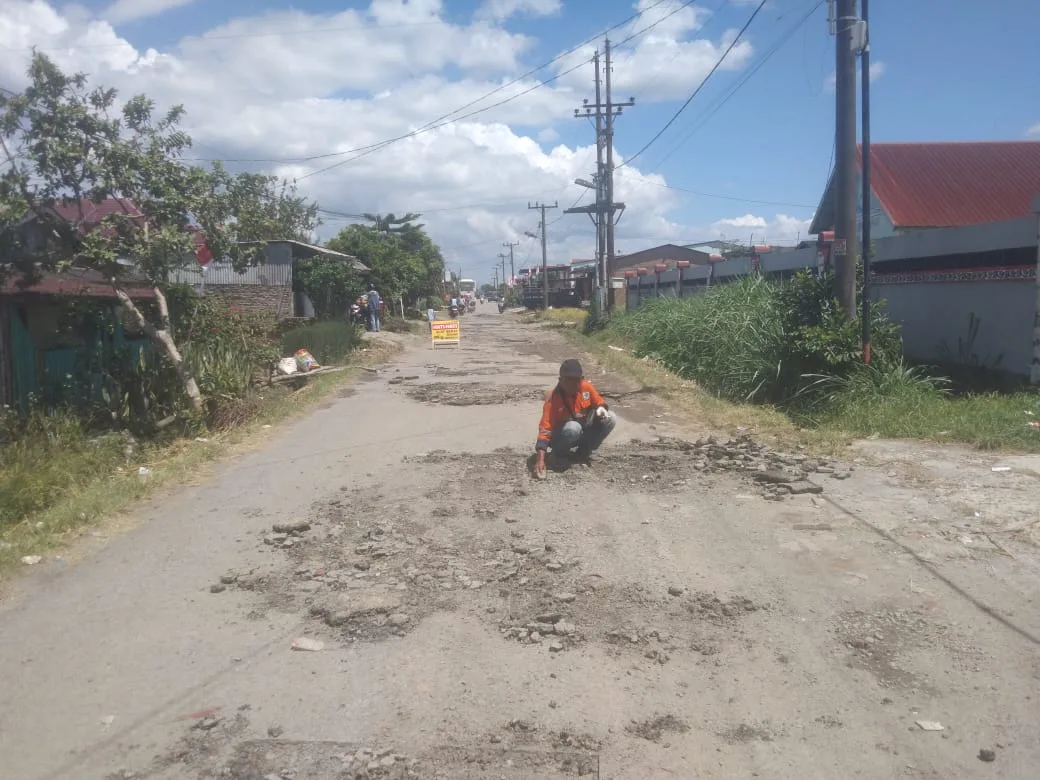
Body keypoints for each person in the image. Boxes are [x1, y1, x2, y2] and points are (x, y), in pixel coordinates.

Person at [534, 359, 616, 478]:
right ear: (561, 380)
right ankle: (558, 456)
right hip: (560, 436)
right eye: (569, 380)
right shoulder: (553, 399)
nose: (574, 384)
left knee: (611, 418)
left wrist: (601, 409)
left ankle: (583, 453)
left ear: (581, 379)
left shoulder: (586, 387)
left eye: (577, 380)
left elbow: (600, 402)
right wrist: (540, 460)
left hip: (581, 431)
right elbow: (545, 431)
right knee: (573, 427)